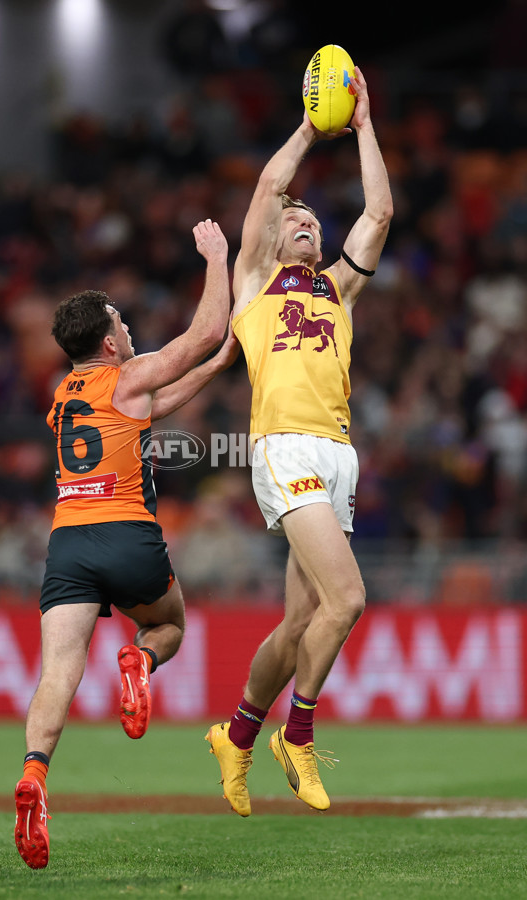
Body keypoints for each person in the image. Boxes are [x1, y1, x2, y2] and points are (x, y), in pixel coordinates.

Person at [14, 219, 232, 869]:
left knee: (58, 671)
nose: (130, 330)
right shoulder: (127, 375)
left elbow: (155, 402)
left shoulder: (64, 395)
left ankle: (33, 775)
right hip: (126, 533)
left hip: (68, 543)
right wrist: (217, 258)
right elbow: (207, 331)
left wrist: (214, 369)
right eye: (123, 322)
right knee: (168, 625)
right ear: (111, 340)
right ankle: (141, 663)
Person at [205, 67, 393, 815]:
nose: (306, 220)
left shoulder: (337, 288)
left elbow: (379, 210)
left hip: (337, 453)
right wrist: (316, 127)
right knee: (348, 598)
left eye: (314, 217)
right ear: (273, 237)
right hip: (283, 446)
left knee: (300, 623)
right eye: (296, 218)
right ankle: (299, 733)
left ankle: (238, 735)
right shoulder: (255, 283)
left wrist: (365, 123)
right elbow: (268, 186)